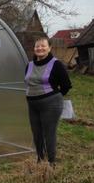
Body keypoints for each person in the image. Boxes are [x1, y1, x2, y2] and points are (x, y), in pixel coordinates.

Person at [24, 36, 72, 167]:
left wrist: (53, 97)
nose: (39, 48)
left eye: (43, 46)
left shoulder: (56, 64)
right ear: (34, 49)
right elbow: (28, 83)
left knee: (49, 133)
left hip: (50, 104)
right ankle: (40, 160)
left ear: (49, 48)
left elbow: (66, 85)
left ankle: (51, 163)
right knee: (36, 133)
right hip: (32, 104)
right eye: (37, 46)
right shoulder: (29, 65)